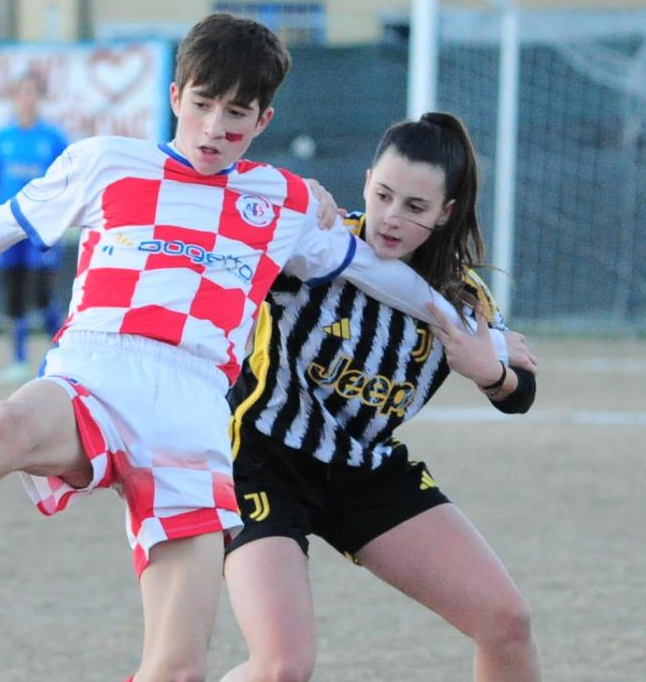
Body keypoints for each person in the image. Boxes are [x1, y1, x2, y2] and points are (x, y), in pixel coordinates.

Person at [0, 16, 505, 681]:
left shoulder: (284, 201)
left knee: (176, 667)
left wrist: (473, 332)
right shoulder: (107, 162)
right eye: (202, 104)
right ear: (175, 95)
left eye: (237, 114)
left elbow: (375, 271)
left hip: (193, 424)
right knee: (3, 427)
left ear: (265, 120)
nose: (215, 128)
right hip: (93, 377)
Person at [221, 114, 543, 682]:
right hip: (261, 461)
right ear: (366, 181)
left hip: (363, 470)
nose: (391, 218)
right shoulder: (317, 248)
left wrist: (492, 373)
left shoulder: (463, 299)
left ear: (446, 213)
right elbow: (230, 216)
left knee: (506, 622)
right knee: (281, 666)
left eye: (415, 208)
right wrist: (294, 193)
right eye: (383, 195)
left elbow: (520, 392)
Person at [0, 71, 70, 380]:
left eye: (32, 92)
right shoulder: (3, 137)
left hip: (42, 227)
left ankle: (64, 354)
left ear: (39, 97)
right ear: (14, 97)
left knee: (42, 293)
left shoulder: (53, 138)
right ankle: (18, 359)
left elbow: (68, 178)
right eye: (22, 92)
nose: (27, 98)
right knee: (13, 292)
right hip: (8, 225)